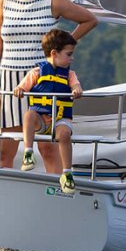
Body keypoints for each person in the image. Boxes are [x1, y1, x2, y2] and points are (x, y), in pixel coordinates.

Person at [0, 0, 97, 173]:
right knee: (4, 149)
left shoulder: (52, 1)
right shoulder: (3, 4)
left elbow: (89, 19)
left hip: (44, 80)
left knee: (47, 148)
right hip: (10, 82)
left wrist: (61, 45)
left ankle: (55, 194)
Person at [13, 29, 83, 195]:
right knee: (29, 115)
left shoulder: (70, 74)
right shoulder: (36, 72)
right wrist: (18, 90)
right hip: (41, 119)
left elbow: (76, 85)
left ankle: (67, 173)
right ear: (54, 53)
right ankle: (28, 154)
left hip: (59, 119)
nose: (72, 58)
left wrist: (77, 89)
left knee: (64, 135)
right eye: (69, 54)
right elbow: (22, 86)